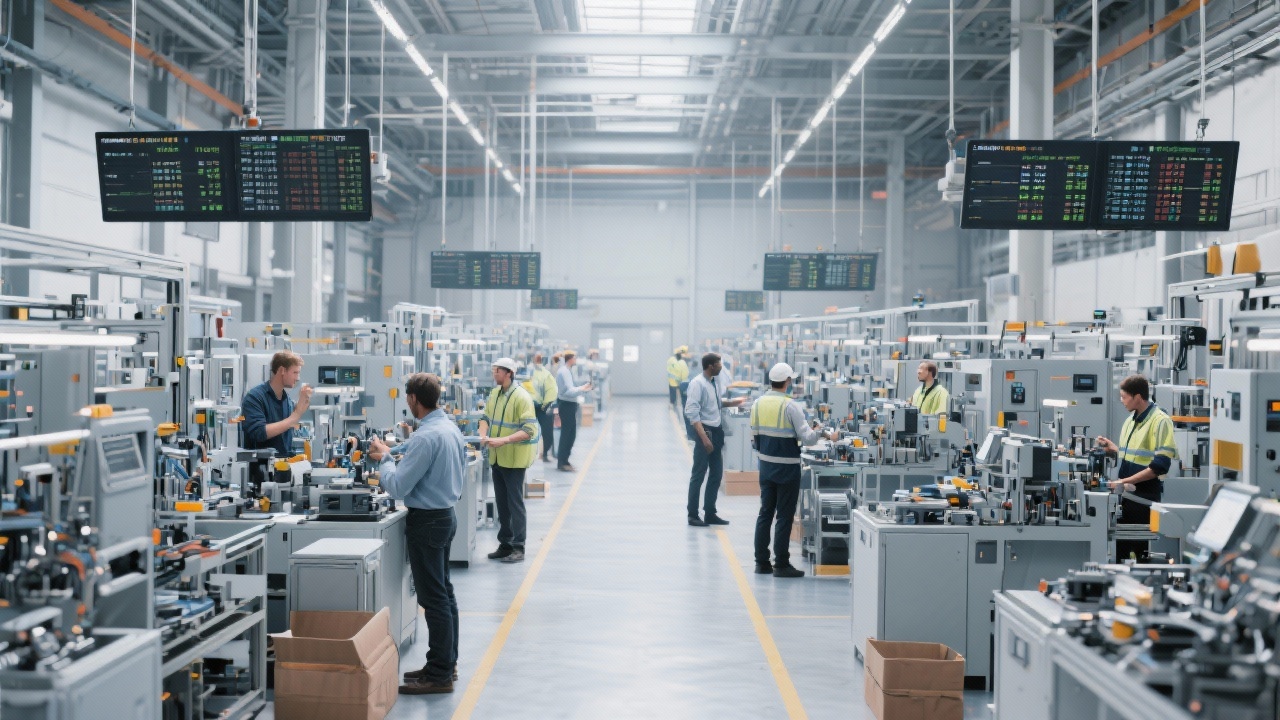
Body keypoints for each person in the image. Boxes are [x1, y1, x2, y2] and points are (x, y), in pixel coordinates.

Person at [368, 374, 466, 695]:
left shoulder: (427, 437)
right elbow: (417, 448)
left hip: (427, 523)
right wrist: (393, 448)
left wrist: (384, 459)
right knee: (444, 594)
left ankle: (438, 675)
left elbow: (397, 485)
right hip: (446, 517)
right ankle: (444, 663)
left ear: (412, 399)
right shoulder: (448, 428)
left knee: (432, 598)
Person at [751, 363, 837, 578]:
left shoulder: (758, 404)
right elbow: (807, 438)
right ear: (787, 381)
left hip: (766, 466)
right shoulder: (790, 406)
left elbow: (754, 438)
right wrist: (821, 432)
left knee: (765, 513)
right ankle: (781, 564)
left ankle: (761, 562)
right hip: (787, 467)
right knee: (784, 516)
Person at [1094, 374, 1177, 561]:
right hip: (1127, 498)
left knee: (1138, 555)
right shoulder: (1131, 420)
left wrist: (1122, 482)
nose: (1122, 401)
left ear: (1137, 397)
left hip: (1144, 501)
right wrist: (1113, 449)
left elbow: (1159, 466)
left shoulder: (1160, 421)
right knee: (1122, 553)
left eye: (1124, 397)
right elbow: (1132, 454)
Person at [479, 358, 540, 564]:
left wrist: (502, 440)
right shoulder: (495, 394)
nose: (494, 374)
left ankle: (518, 547)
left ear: (509, 374)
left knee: (515, 504)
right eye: (493, 370)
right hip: (497, 458)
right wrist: (483, 435)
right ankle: (505, 544)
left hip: (514, 460)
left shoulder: (522, 397)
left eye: (497, 371)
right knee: (502, 504)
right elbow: (485, 418)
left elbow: (529, 430)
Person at [684, 352, 745, 527]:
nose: (721, 367)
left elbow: (716, 404)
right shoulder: (697, 384)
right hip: (705, 431)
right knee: (698, 474)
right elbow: (692, 413)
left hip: (716, 431)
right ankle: (693, 515)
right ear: (711, 366)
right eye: (719, 365)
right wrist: (704, 438)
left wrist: (734, 403)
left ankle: (710, 512)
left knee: (716, 474)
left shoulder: (713, 382)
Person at [241, 351, 313, 456]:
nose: (298, 378)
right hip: (261, 469)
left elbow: (285, 433)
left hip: (282, 467)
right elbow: (259, 432)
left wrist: (301, 406)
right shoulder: (254, 397)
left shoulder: (287, 400)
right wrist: (295, 416)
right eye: (295, 373)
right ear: (282, 370)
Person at [555, 351, 593, 472]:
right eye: (575, 357)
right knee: (567, 435)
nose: (576, 359)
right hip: (566, 405)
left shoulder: (567, 370)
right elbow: (570, 391)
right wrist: (583, 389)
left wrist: (582, 389)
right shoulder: (564, 371)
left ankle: (565, 460)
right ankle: (562, 462)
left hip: (570, 405)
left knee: (571, 434)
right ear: (570, 359)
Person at [530, 353, 558, 463]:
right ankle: (542, 454)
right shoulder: (532, 373)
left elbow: (551, 391)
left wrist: (546, 406)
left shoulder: (545, 374)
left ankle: (544, 454)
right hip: (535, 407)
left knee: (546, 432)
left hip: (541, 407)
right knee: (544, 432)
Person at [667, 346, 690, 411]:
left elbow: (669, 370)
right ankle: (677, 403)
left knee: (673, 392)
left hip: (672, 380)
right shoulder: (681, 362)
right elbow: (684, 373)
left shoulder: (671, 360)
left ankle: (672, 403)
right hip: (680, 380)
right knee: (681, 392)